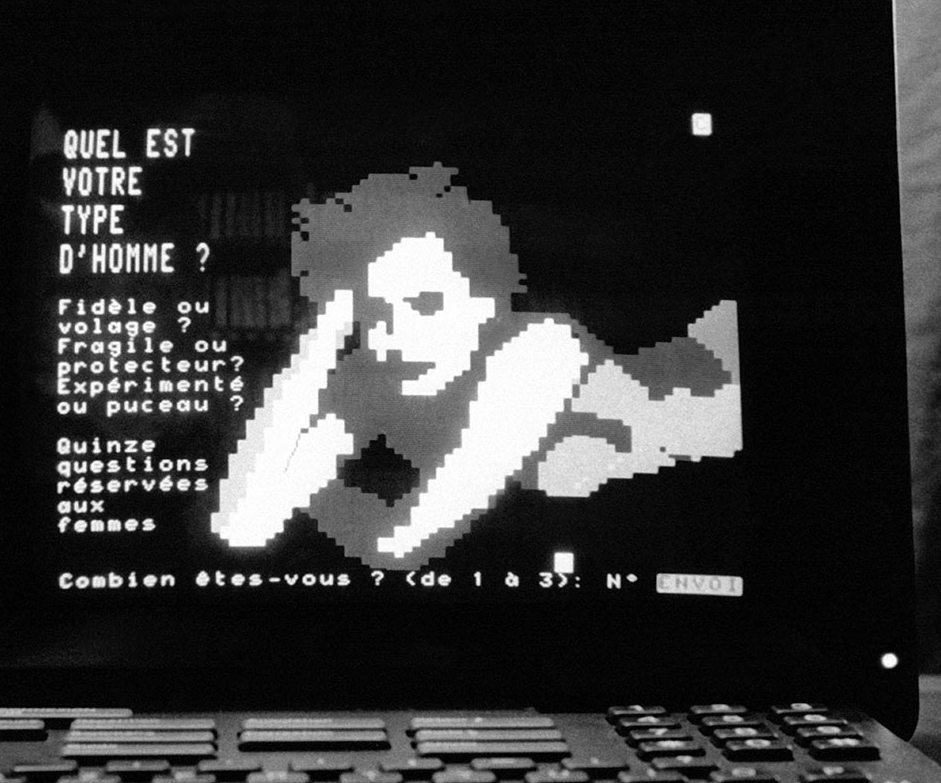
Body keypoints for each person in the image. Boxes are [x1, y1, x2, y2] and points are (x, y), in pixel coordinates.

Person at [211, 165, 741, 570]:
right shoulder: (375, 376)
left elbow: (403, 544)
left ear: (490, 302)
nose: (395, 333)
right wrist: (319, 339)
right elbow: (242, 528)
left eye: (425, 303)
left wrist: (308, 491)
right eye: (373, 312)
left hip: (718, 386)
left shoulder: (541, 348)